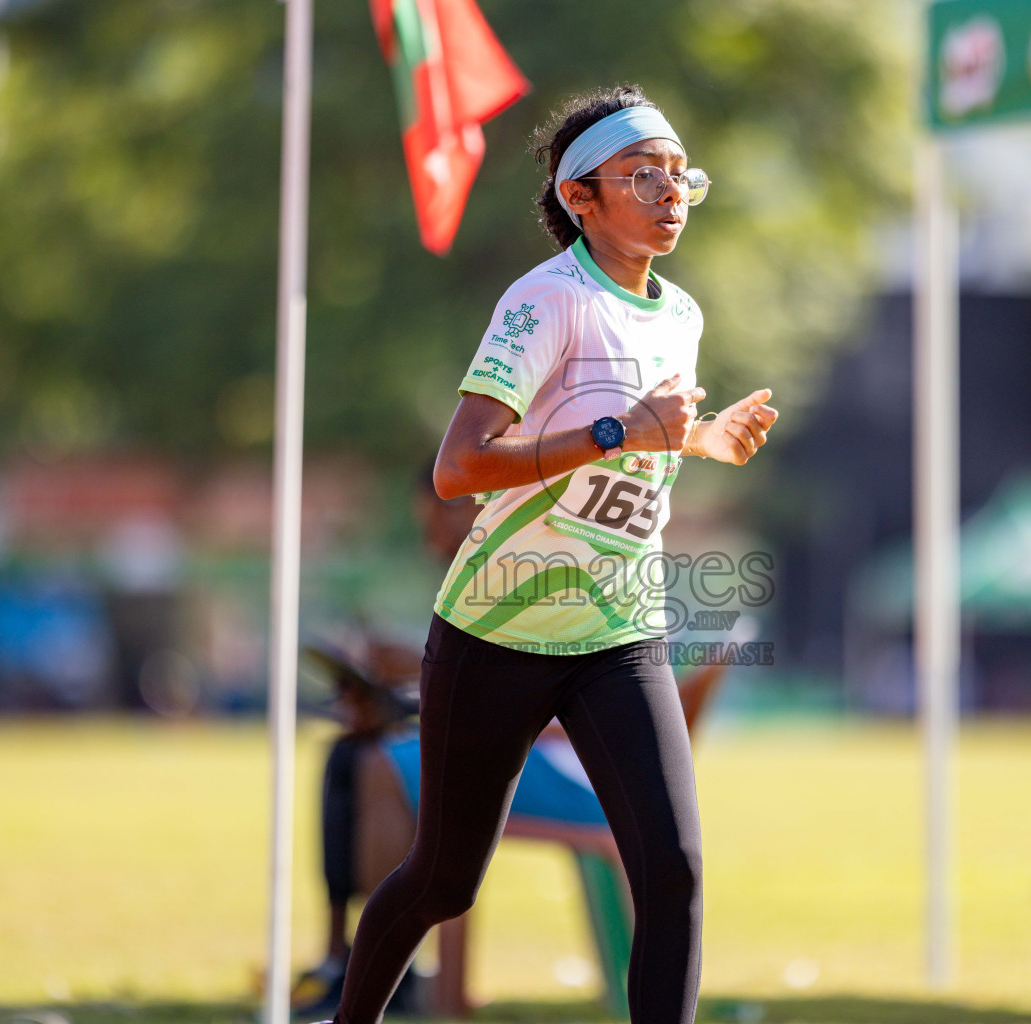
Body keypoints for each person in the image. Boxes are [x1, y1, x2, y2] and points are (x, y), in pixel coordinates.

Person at [319, 83, 778, 1024]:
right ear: (580, 197)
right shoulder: (545, 301)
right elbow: (460, 468)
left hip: (620, 632)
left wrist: (701, 440)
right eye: (642, 175)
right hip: (498, 630)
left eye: (680, 175)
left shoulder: (680, 316)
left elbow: (642, 431)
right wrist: (622, 430)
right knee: (443, 882)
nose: (671, 192)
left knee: (675, 868)